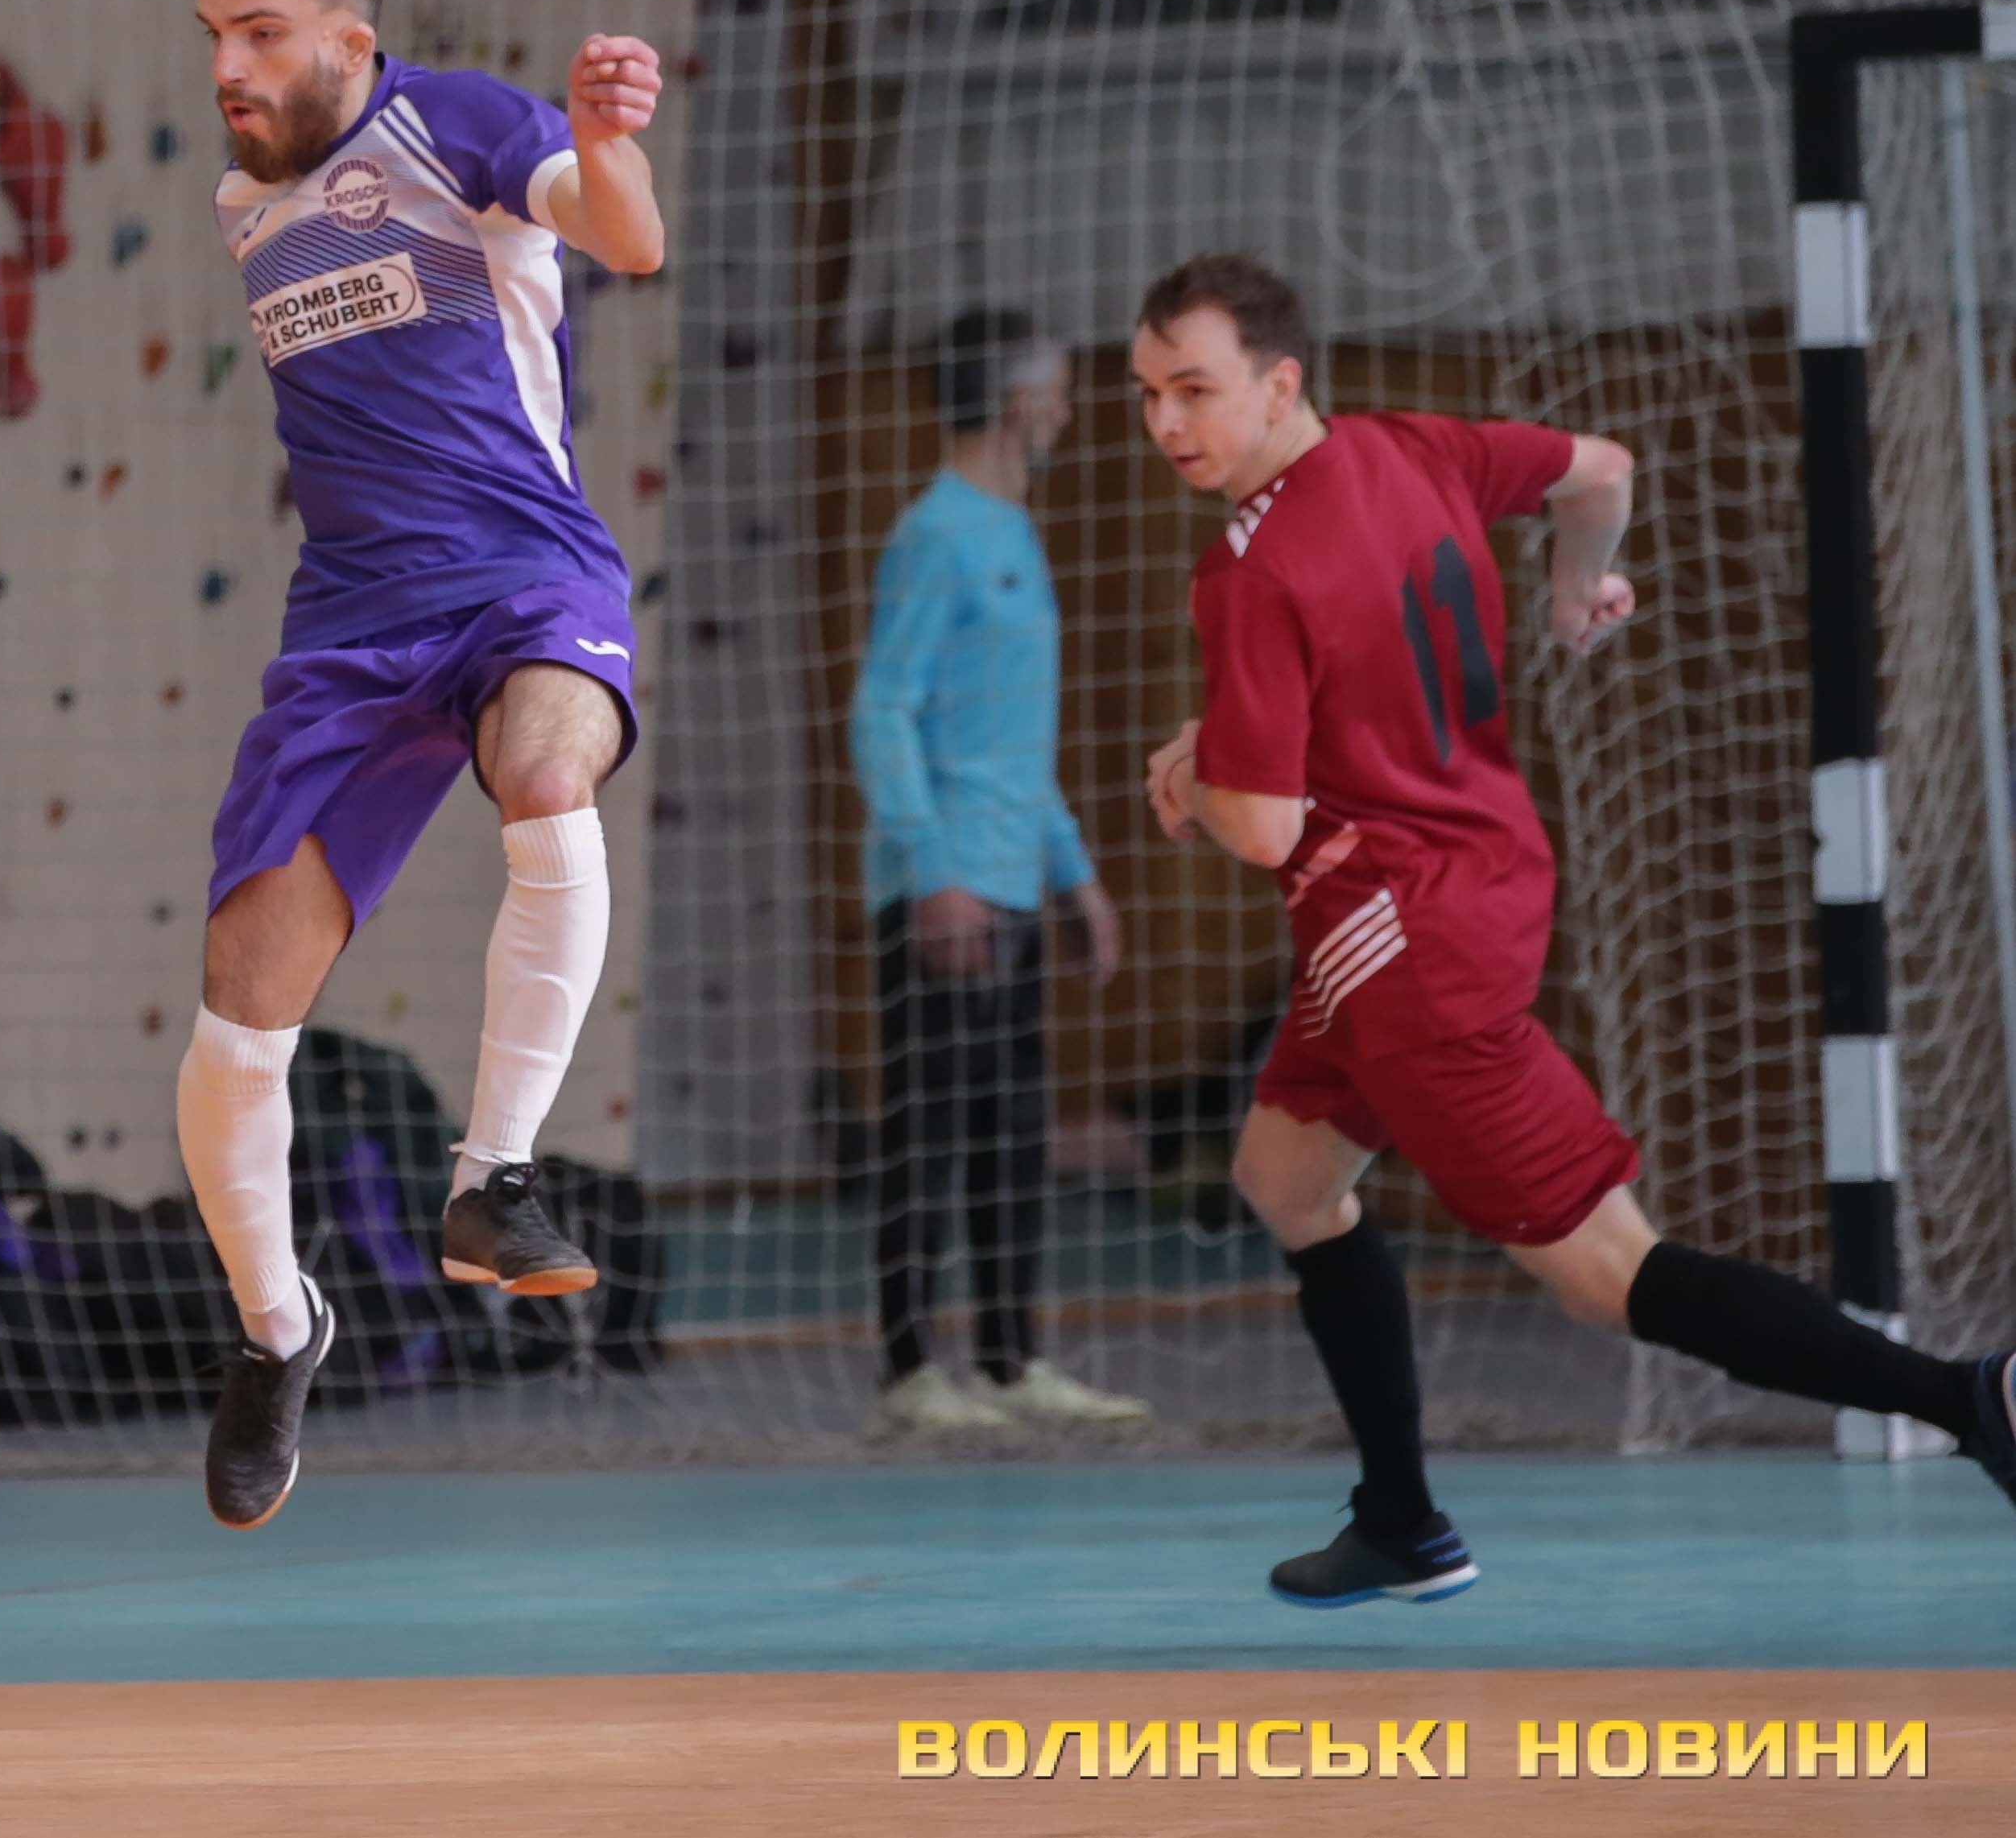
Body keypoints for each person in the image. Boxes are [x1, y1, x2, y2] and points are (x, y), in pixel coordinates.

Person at [1131, 250, 2015, 1605]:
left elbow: (1258, 826)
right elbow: (1598, 470)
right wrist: (1571, 587)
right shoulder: (1408, 447)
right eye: (1146, 395)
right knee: (1286, 1178)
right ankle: (1401, 1520)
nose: (1166, 422)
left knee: (1608, 1273)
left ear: (1279, 379)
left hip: (1405, 945)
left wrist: (1190, 771)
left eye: (1194, 389)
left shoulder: (1248, 570)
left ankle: (1968, 1397)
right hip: (1462, 882)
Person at [176, 0, 666, 1529]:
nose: (229, 66)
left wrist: (605, 140)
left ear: (350, 36)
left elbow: (625, 238)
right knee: (239, 1018)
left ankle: (493, 1178)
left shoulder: (452, 124)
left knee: (548, 773)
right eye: (212, 35)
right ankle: (276, 1328)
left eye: (261, 32)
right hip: (351, 624)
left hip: (525, 570)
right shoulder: (245, 199)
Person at [851, 308, 1145, 1437]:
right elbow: (882, 710)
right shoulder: (937, 534)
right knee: (927, 1129)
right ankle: (909, 1372)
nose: (1066, 410)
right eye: (1058, 389)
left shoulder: (1014, 528)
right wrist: (935, 872)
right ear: (1022, 402)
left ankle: (1012, 1361)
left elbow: (1009, 741)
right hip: (946, 890)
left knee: (1012, 1130)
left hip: (1015, 882)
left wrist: (1075, 877)